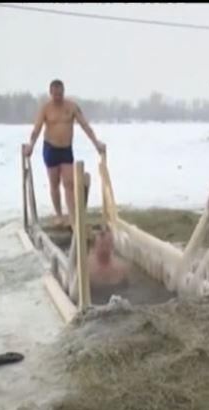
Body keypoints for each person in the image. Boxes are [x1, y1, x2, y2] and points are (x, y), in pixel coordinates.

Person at [23, 79, 106, 228]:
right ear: (51, 93)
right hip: (50, 149)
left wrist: (96, 143)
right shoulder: (45, 108)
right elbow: (37, 129)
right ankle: (59, 215)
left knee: (69, 183)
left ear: (63, 92)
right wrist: (31, 146)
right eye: (55, 94)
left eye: (60, 94)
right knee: (54, 183)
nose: (58, 97)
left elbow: (85, 126)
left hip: (66, 149)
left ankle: (73, 218)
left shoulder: (72, 107)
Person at [88, 224, 129, 292]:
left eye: (107, 245)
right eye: (101, 245)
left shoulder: (121, 268)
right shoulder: (87, 269)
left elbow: (128, 289)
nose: (105, 249)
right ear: (94, 247)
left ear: (112, 245)